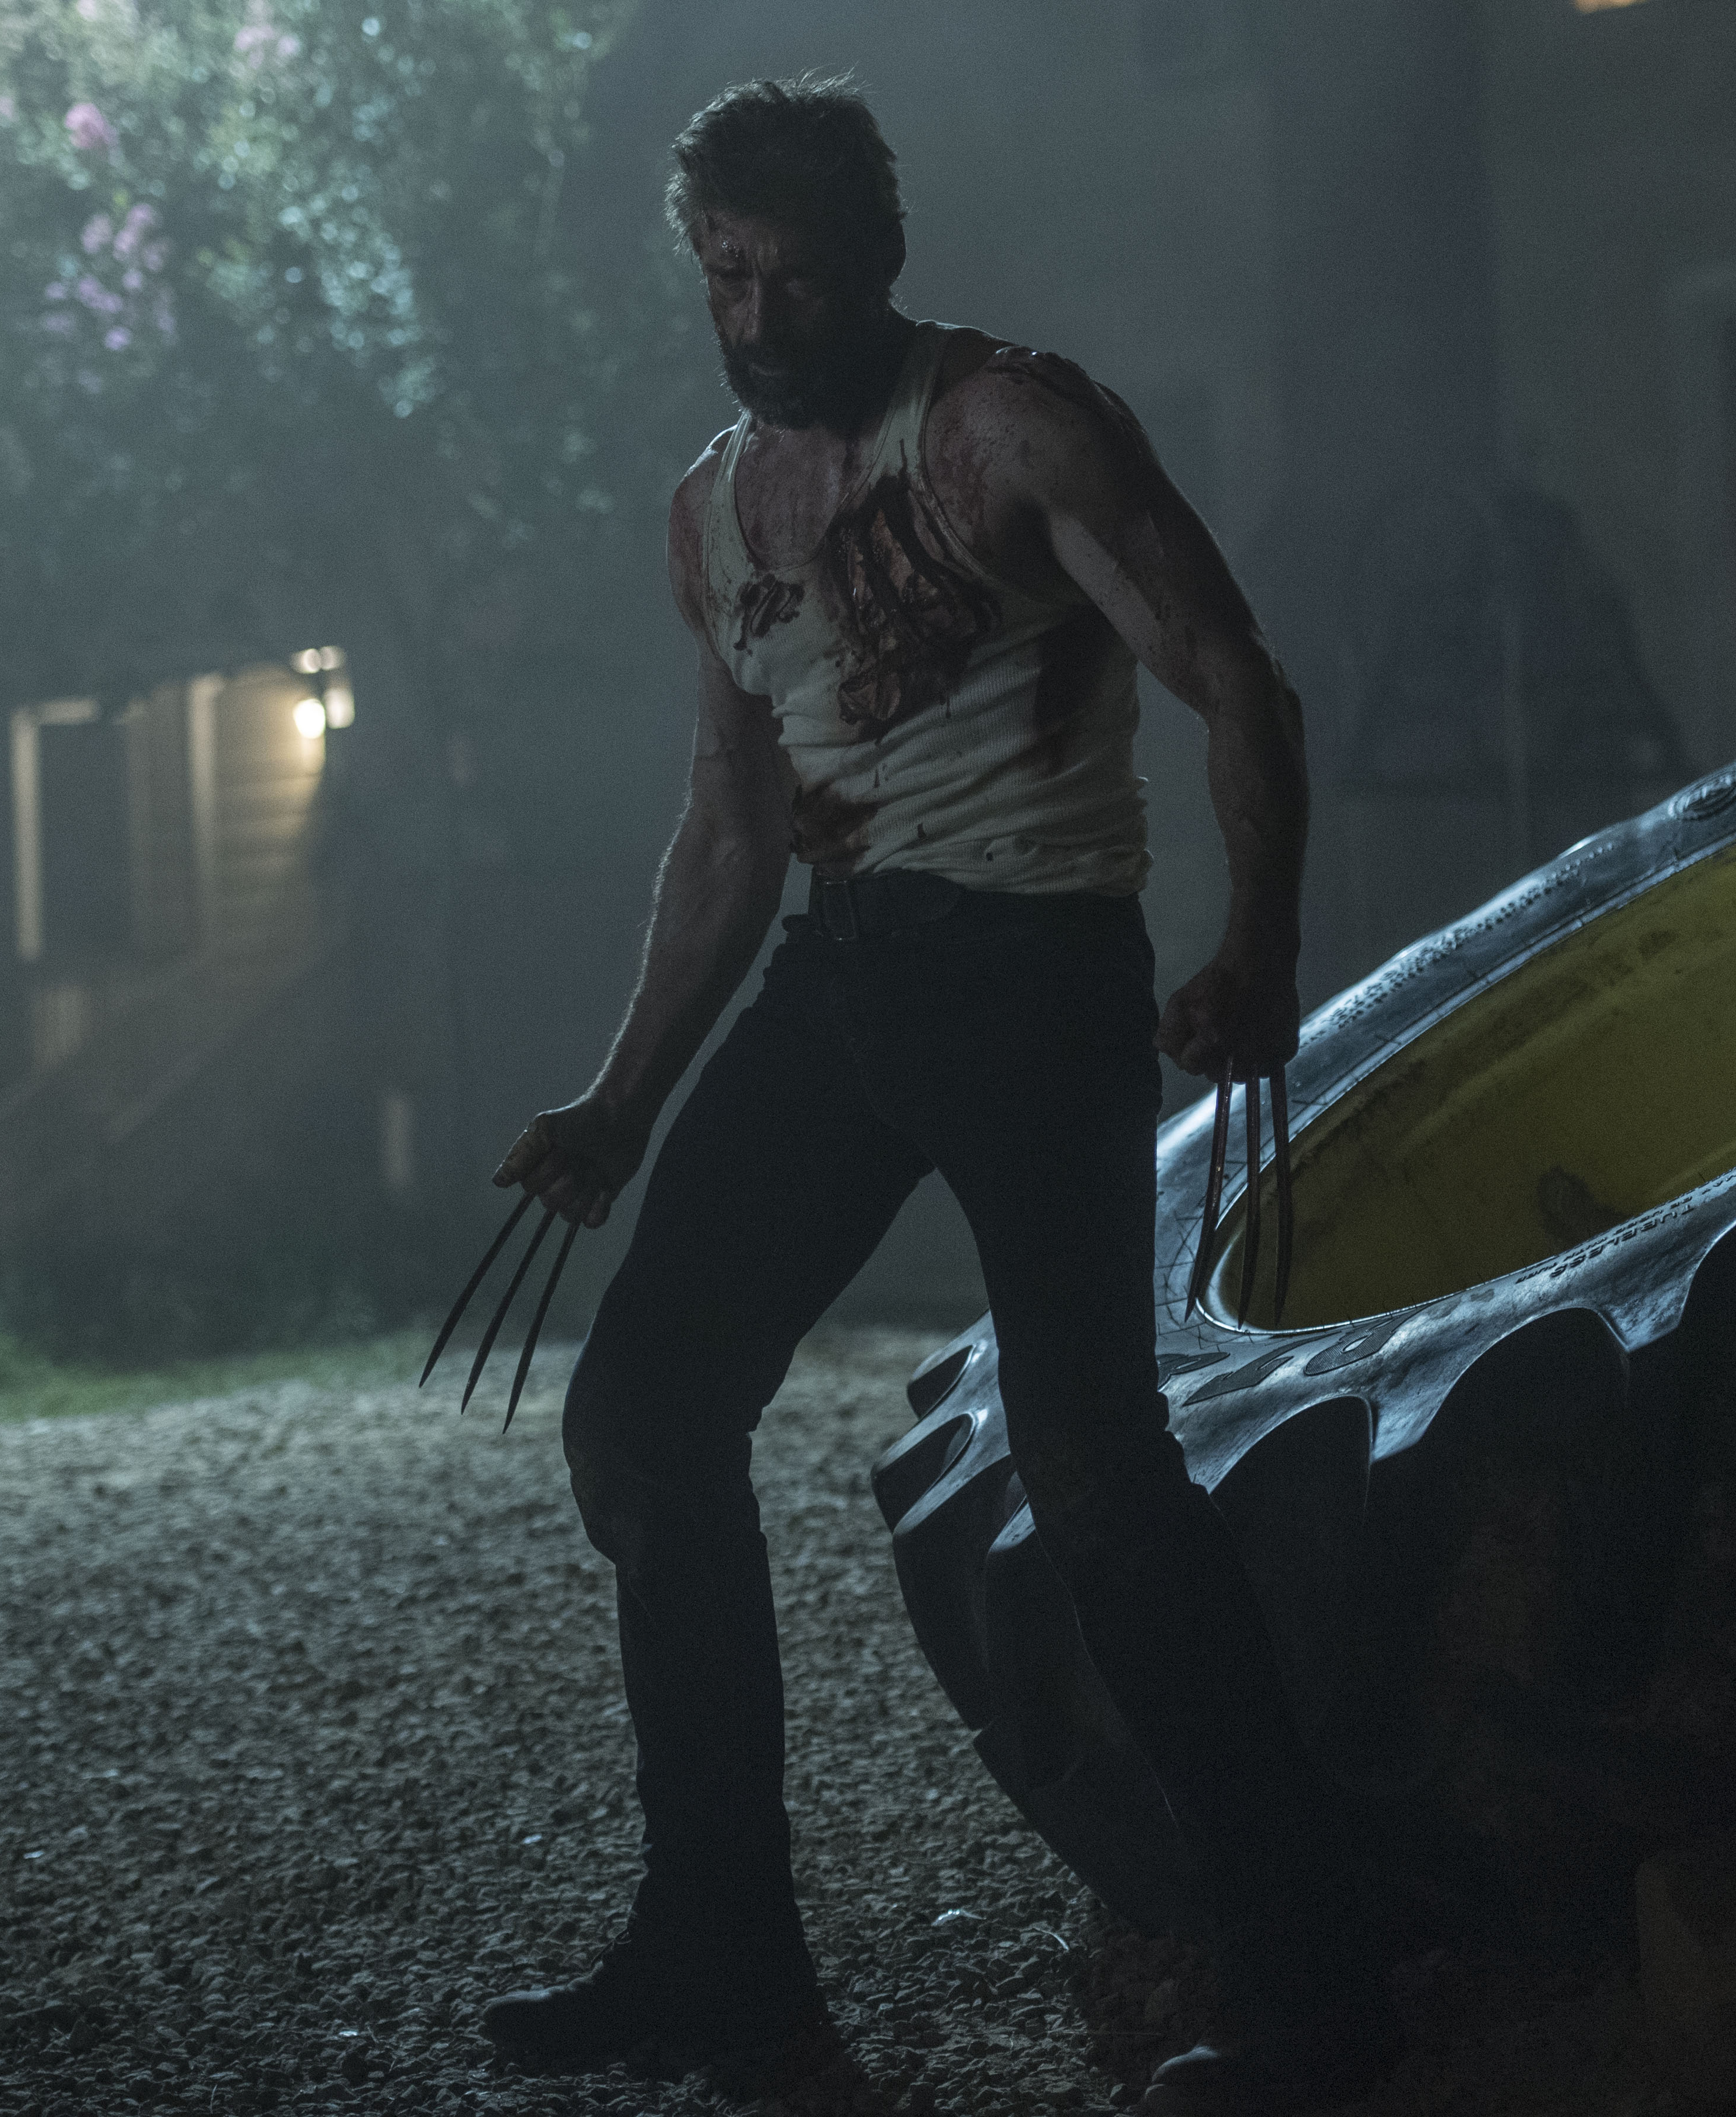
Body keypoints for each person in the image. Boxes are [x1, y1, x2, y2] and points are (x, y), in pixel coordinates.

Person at [476, 75, 1399, 2116]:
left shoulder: (1006, 427)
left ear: (877, 261)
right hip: (842, 973)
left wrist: (1259, 944)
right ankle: (724, 1955)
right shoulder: (714, 510)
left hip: (1034, 970)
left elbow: (1234, 674)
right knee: (644, 1415)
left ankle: (1317, 1971)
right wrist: (622, 1100)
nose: (759, 315)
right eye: (728, 275)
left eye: (797, 277)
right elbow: (731, 831)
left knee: (1098, 1476)